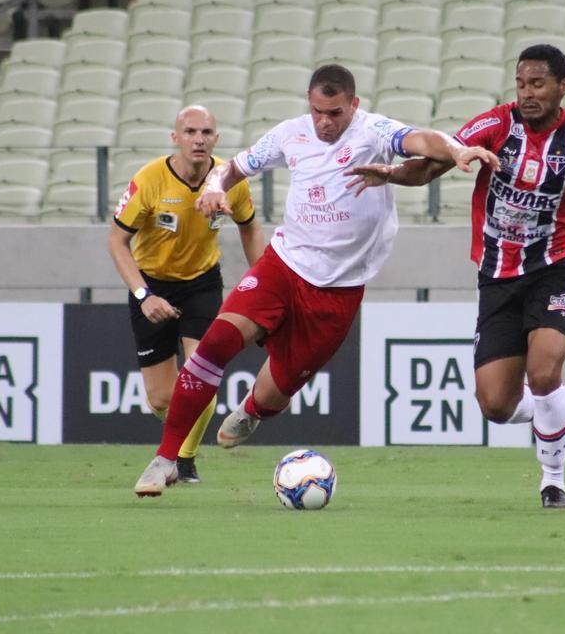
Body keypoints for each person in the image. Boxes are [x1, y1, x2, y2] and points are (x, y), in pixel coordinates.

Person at [134, 64, 499, 496]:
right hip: (283, 266)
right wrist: (214, 184)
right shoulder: (291, 133)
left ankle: (252, 408)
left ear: (354, 106)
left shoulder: (372, 131)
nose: (325, 122)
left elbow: (421, 140)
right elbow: (233, 168)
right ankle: (166, 459)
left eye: (335, 113)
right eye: (318, 112)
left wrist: (456, 150)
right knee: (215, 345)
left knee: (274, 395)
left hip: (338, 291)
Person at [348, 44, 565, 509]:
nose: (527, 93)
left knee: (543, 373)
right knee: (496, 406)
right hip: (497, 276)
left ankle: (553, 482)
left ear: (563, 87)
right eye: (521, 83)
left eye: (538, 84)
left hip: (554, 269)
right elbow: (431, 165)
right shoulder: (496, 124)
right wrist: (392, 174)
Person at [109, 105, 264, 484]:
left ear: (216, 138)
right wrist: (144, 295)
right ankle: (180, 444)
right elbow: (117, 241)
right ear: (175, 137)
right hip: (152, 286)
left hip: (201, 284)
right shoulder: (149, 180)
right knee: (161, 399)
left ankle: (184, 459)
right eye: (191, 132)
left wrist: (264, 282)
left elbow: (249, 227)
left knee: (200, 374)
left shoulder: (230, 179)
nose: (199, 139)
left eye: (206, 132)